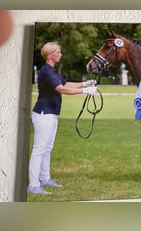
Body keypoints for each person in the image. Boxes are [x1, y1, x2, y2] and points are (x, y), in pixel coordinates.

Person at [27, 42, 97, 195]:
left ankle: (44, 178)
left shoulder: (52, 71)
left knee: (47, 148)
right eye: (58, 52)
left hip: (51, 113)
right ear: (50, 54)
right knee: (39, 150)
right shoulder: (46, 71)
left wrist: (85, 83)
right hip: (44, 114)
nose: (60, 54)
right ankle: (33, 185)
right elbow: (62, 89)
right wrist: (85, 91)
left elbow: (66, 83)